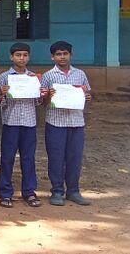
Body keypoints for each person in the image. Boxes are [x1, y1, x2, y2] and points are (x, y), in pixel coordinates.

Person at [41, 41, 92, 206]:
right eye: (58, 54)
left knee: (75, 158)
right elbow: (43, 102)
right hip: (55, 123)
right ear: (52, 57)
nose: (62, 57)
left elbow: (87, 94)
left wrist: (87, 97)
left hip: (76, 122)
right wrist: (48, 95)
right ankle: (56, 191)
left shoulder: (80, 74)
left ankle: (73, 191)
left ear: (71, 55)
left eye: (65, 53)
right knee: (56, 158)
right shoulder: (48, 76)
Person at [0, 43, 47, 209]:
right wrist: (1, 94)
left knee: (28, 159)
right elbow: (0, 103)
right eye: (18, 55)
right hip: (11, 123)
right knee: (7, 159)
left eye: (25, 55)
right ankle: (5, 193)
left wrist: (41, 95)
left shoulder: (34, 77)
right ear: (11, 57)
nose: (22, 58)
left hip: (29, 123)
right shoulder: (5, 77)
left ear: (29, 57)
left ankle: (29, 192)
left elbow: (38, 102)